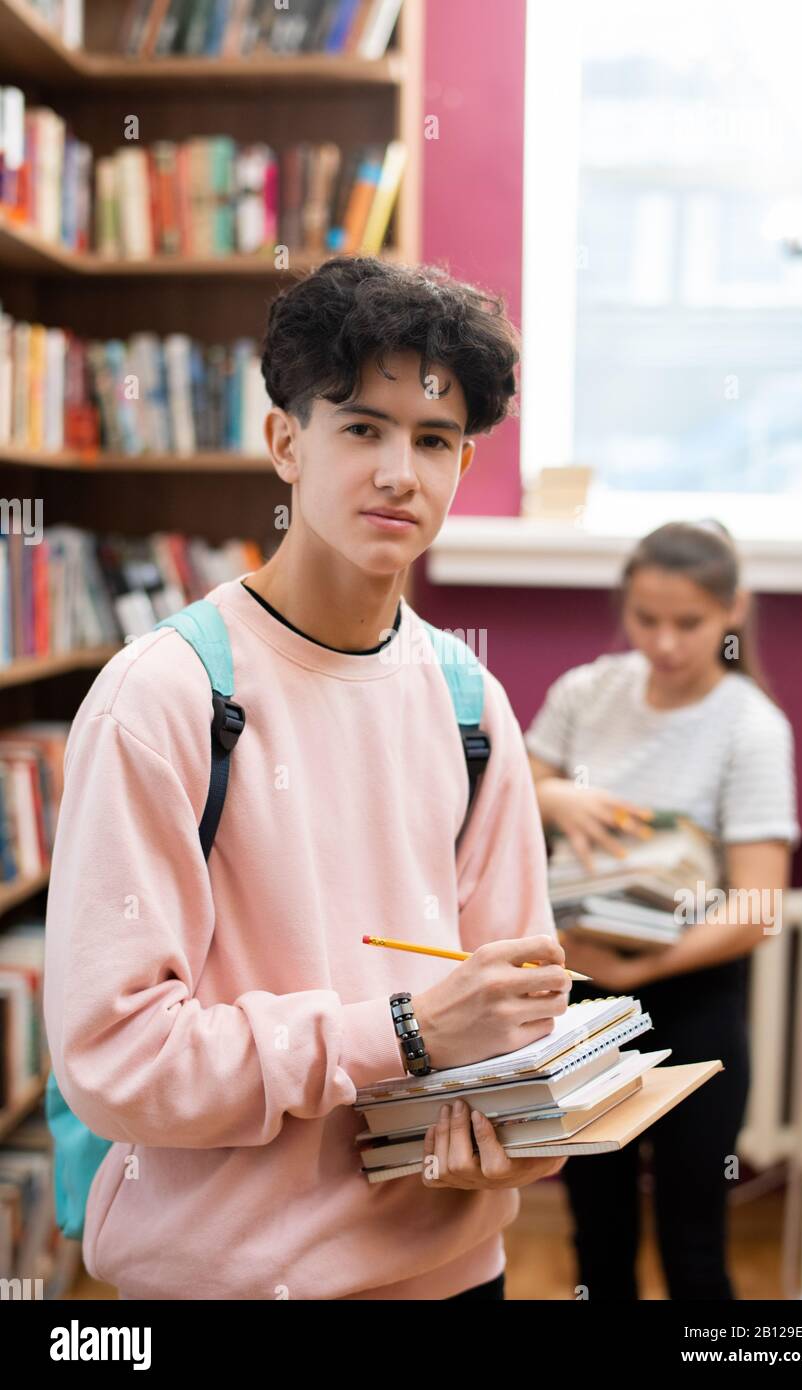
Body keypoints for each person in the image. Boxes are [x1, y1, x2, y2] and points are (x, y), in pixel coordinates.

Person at [42, 256, 573, 1302]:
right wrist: (403, 1034)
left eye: (432, 441)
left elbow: (518, 1016)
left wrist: (524, 1130)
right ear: (286, 441)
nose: (398, 473)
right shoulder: (164, 696)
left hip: (457, 1267)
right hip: (228, 1281)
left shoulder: (471, 702)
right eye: (361, 428)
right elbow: (115, 1057)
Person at [525, 519, 801, 1301]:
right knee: (596, 1226)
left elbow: (757, 904)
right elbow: (508, 789)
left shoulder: (751, 726)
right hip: (582, 993)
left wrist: (643, 965)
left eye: (690, 623)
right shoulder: (588, 690)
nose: (666, 643)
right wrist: (557, 795)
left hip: (693, 998)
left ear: (732, 612)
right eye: (647, 620)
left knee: (693, 1238)